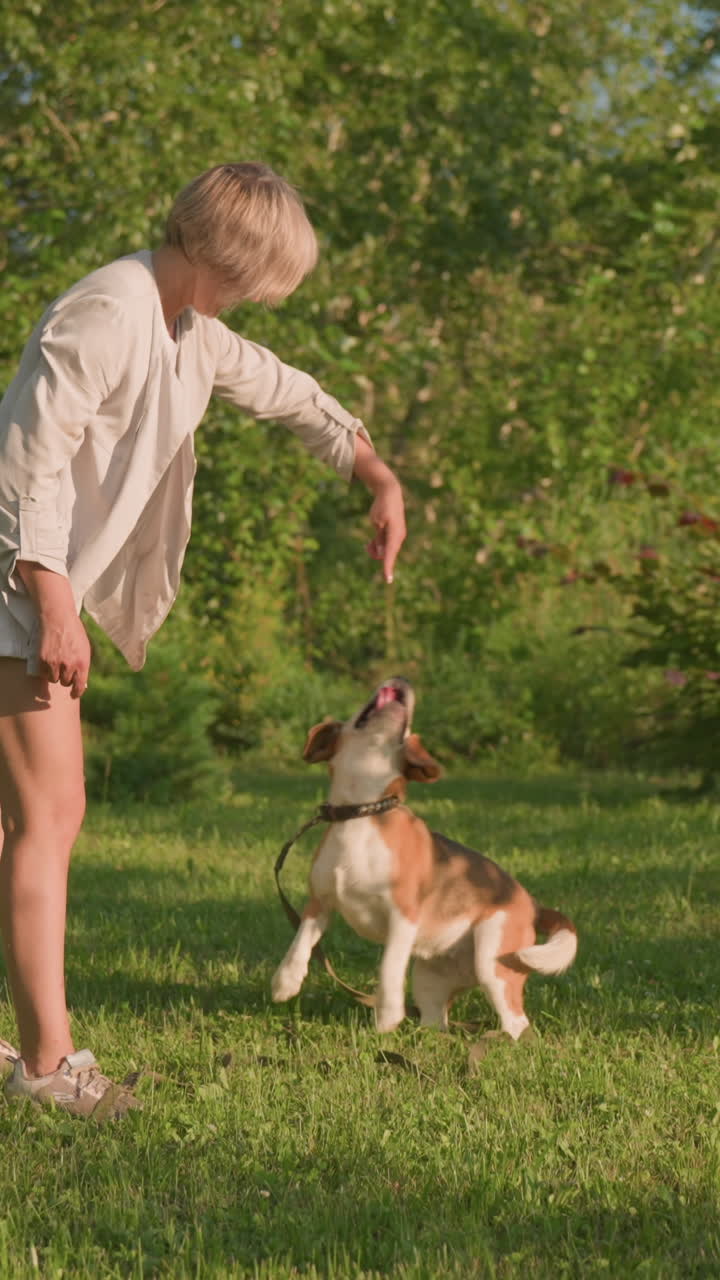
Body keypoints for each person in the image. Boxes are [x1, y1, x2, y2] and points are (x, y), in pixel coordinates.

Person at [0, 162, 406, 1118]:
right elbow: (23, 466)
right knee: (47, 819)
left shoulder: (188, 330)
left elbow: (290, 392)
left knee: (22, 822)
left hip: (26, 590)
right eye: (272, 275)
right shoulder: (109, 310)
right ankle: (50, 1070)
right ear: (234, 256)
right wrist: (54, 603)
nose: (273, 295)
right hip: (16, 586)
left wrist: (377, 474)